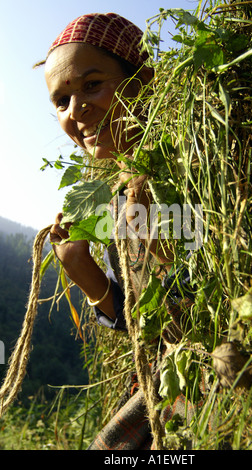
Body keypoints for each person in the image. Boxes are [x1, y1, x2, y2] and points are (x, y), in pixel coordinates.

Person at [45, 13, 194, 450]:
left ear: (143, 80)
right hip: (162, 380)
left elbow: (222, 309)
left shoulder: (195, 162)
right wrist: (84, 272)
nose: (76, 111)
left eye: (92, 85)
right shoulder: (112, 198)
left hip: (213, 378)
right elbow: (149, 325)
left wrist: (162, 246)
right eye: (61, 101)